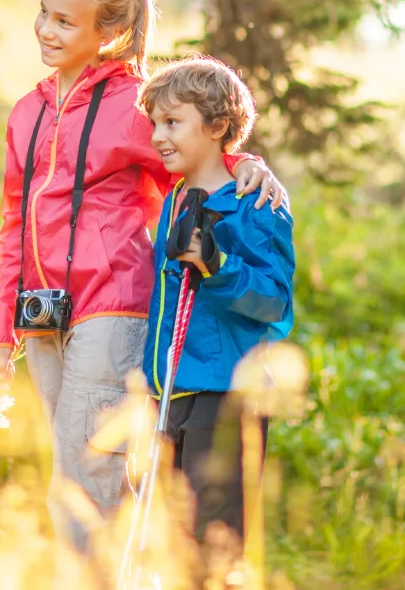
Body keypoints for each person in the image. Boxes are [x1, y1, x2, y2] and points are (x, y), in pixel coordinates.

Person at [0, 0, 287, 555]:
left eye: (66, 22)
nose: (47, 30)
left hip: (113, 303)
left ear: (108, 33)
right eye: (45, 14)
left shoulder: (132, 105)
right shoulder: (27, 112)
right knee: (76, 464)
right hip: (42, 314)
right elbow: (13, 222)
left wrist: (246, 163)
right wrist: (1, 328)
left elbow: (197, 154)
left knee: (86, 468)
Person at [138, 56, 295, 559]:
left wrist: (218, 263)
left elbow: (275, 303)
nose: (159, 136)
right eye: (155, 123)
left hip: (225, 397)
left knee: (216, 543)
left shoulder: (255, 204)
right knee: (170, 540)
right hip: (169, 392)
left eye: (173, 122)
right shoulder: (174, 199)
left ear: (218, 127)